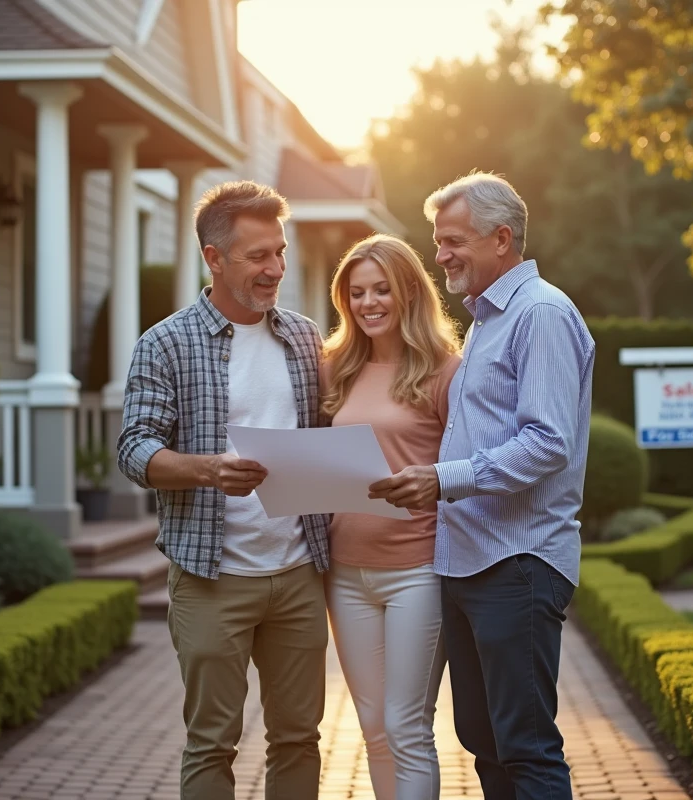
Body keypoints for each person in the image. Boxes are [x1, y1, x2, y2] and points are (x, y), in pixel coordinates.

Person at [369, 172, 596, 800]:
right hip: (469, 564)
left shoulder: (542, 313)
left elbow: (547, 443)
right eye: (438, 241)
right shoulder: (485, 322)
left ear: (502, 239)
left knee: (525, 746)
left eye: (452, 241)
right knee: (484, 740)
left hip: (518, 562)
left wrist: (442, 481)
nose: (439, 255)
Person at [116, 180, 330, 800]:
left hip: (298, 572)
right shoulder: (165, 343)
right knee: (212, 742)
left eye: (280, 253)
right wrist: (210, 470)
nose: (276, 269)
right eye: (258, 256)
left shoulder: (305, 339)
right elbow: (134, 449)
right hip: (211, 576)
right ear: (214, 258)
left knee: (298, 737)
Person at [320, 234, 462, 800]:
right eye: (356, 293)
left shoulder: (445, 371)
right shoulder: (336, 369)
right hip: (345, 572)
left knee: (406, 728)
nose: (368, 302)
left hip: (417, 571)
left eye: (381, 289)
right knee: (374, 730)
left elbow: (464, 475)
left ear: (408, 291)